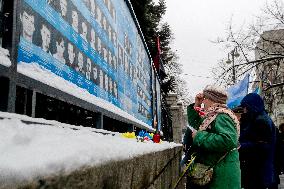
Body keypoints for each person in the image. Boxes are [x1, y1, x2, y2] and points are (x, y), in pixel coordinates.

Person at [186, 85, 241, 189]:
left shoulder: (222, 116)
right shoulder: (213, 115)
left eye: (205, 99)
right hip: (218, 170)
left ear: (211, 99)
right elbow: (197, 125)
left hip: (222, 174)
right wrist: (195, 106)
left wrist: (199, 136)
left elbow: (228, 140)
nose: (203, 102)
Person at [239, 93, 278, 189]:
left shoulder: (261, 121)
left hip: (259, 171)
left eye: (245, 108)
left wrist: (241, 146)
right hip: (259, 170)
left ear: (252, 106)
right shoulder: (258, 118)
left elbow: (262, 146)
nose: (244, 110)